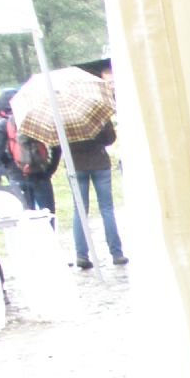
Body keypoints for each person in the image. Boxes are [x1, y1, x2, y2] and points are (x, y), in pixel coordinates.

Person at [66, 114, 125, 268]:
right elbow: (110, 138)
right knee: (107, 209)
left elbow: (58, 144)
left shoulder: (64, 116)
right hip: (99, 162)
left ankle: (81, 255)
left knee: (80, 210)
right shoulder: (96, 111)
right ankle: (117, 253)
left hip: (76, 165)